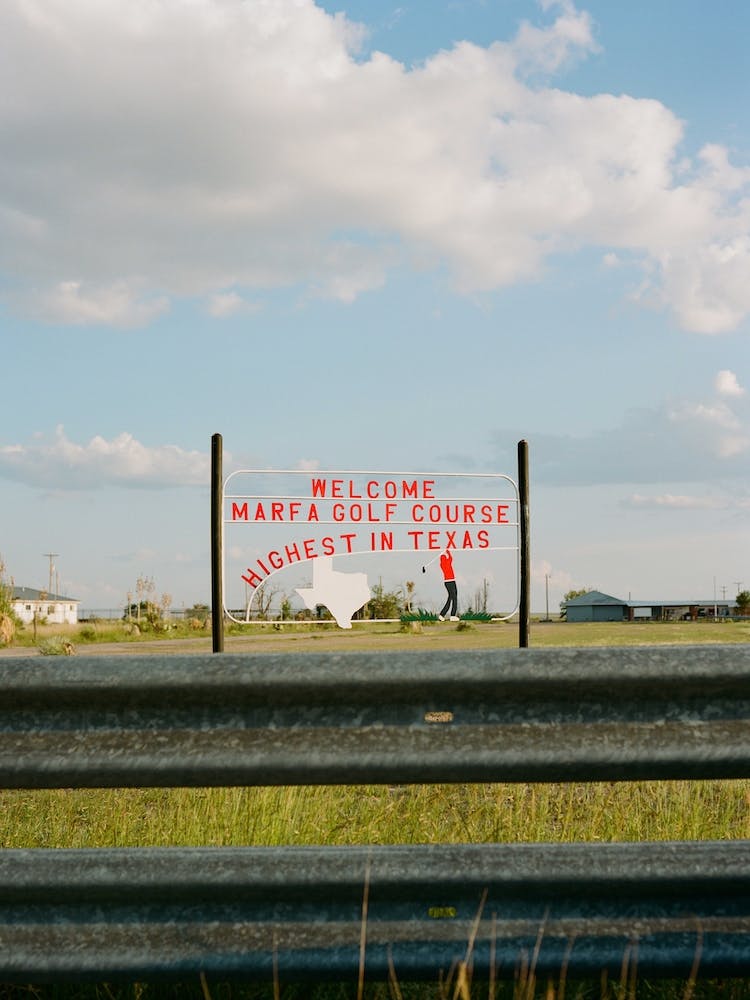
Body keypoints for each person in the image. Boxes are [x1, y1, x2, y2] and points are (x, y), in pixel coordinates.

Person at [438, 548, 459, 621]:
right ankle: (452, 615)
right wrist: (447, 552)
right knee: (454, 598)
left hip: (448, 582)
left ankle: (442, 615)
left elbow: (449, 558)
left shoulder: (441, 564)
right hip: (451, 582)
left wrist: (443, 554)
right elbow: (450, 557)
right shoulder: (447, 562)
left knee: (450, 598)